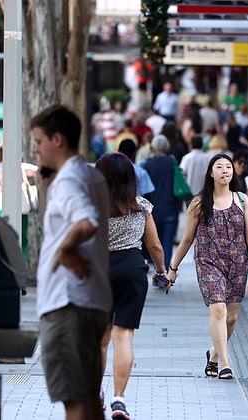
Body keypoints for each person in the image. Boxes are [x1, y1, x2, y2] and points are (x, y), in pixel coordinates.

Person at [32, 105, 111, 420]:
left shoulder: (68, 182)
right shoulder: (91, 175)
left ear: (57, 139)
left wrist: (64, 251)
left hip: (67, 304)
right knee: (89, 399)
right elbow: (64, 222)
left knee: (75, 403)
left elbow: (86, 221)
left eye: (39, 141)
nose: (36, 148)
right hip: (91, 300)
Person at [167, 154, 248, 380]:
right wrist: (173, 268)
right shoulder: (198, 203)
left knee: (232, 318)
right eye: (220, 167)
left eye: (228, 167)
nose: (225, 170)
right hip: (208, 262)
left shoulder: (243, 200)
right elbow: (187, 239)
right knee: (218, 310)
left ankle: (213, 354)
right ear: (210, 173)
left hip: (237, 263)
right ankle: (225, 363)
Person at [96, 153, 167, 420]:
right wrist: (162, 272)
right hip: (131, 270)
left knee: (100, 340)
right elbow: (155, 246)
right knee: (123, 335)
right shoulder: (141, 206)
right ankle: (118, 399)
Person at [142, 134, 179, 268]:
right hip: (171, 207)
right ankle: (166, 271)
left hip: (153, 209)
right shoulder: (171, 161)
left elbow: (145, 191)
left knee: (155, 241)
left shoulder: (147, 164)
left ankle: (159, 269)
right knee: (167, 242)